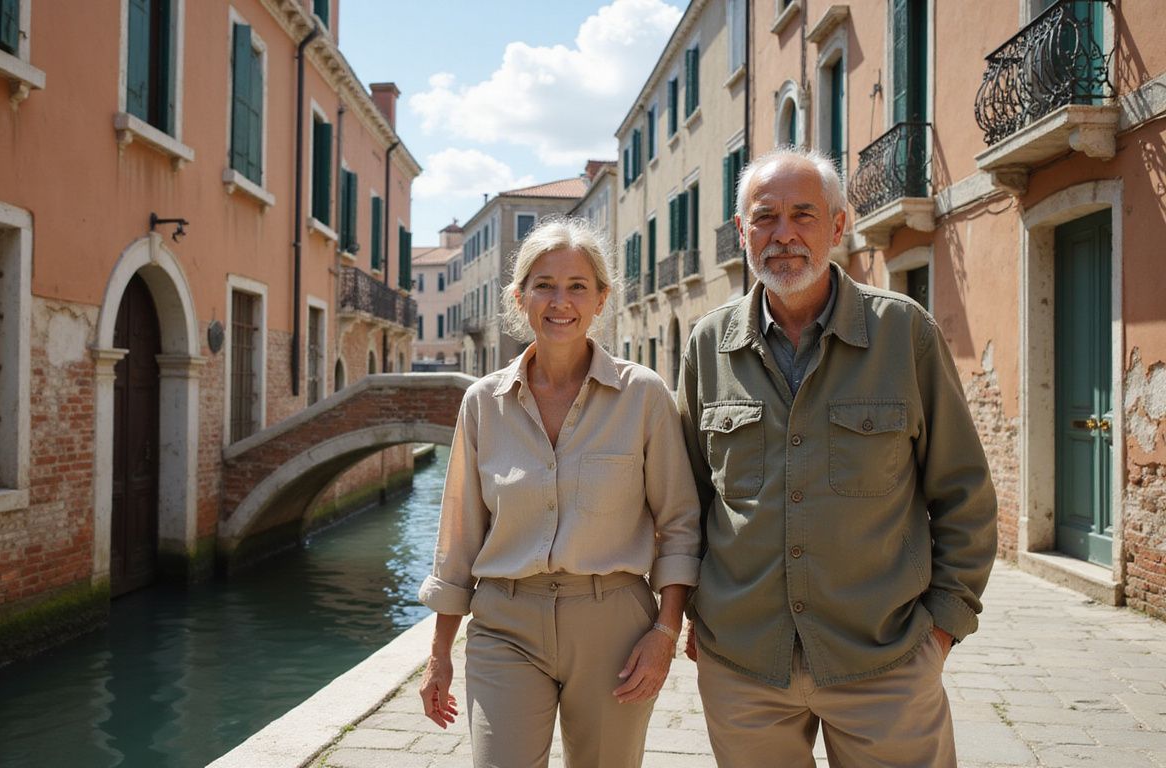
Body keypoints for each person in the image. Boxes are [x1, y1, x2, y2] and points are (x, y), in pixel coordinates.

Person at [677, 147, 998, 767]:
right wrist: (697, 613)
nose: (785, 235)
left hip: (885, 659)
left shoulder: (905, 333)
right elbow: (686, 500)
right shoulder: (708, 345)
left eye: (804, 214)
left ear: (838, 226)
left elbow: (963, 494)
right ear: (742, 232)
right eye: (765, 218)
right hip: (744, 666)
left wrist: (940, 631)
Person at [417, 217, 701, 768]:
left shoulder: (642, 395)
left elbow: (682, 524)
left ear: (601, 299)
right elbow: (458, 539)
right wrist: (438, 656)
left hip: (614, 626)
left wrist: (666, 632)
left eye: (577, 286)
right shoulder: (482, 403)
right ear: (519, 297)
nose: (560, 301)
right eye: (544, 285)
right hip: (505, 624)